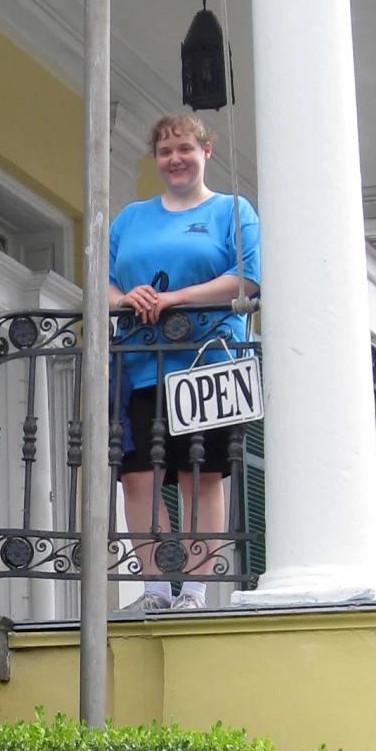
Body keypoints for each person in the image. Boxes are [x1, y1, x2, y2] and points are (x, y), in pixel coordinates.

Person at [108, 113, 261, 611]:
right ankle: (154, 589)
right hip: (139, 363)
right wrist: (127, 297)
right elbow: (101, 285)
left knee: (202, 474)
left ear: (206, 153)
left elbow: (247, 280)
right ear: (156, 159)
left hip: (208, 363)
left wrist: (176, 299)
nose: (175, 159)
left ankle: (193, 590)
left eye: (185, 150)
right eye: (166, 151)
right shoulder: (130, 218)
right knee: (138, 475)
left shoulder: (232, 211)